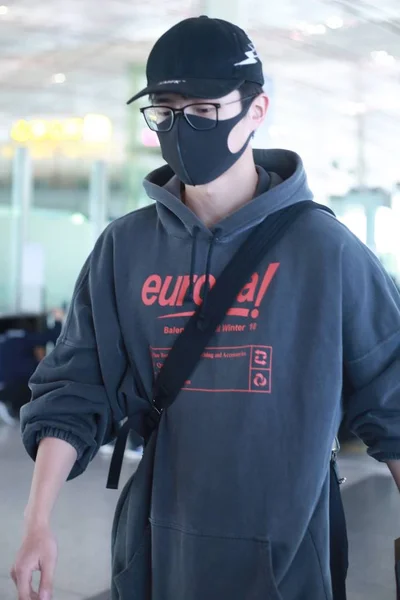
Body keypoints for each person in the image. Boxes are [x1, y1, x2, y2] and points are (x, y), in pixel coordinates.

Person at [11, 15, 400, 600]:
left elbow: (391, 399)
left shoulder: (326, 251)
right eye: (165, 112)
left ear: (257, 110)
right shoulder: (125, 248)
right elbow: (76, 387)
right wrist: (37, 521)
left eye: (203, 111)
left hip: (287, 563)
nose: (181, 127)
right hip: (155, 559)